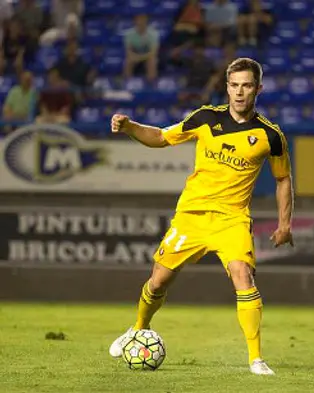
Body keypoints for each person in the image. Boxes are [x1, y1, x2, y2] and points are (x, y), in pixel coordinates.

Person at [108, 58, 294, 376]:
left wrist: (285, 224)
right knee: (158, 281)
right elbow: (162, 137)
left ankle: (256, 359)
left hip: (232, 219)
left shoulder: (270, 136)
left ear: (258, 89)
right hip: (191, 215)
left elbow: (283, 179)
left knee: (243, 276)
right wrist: (129, 128)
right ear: (227, 87)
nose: (239, 92)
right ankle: (137, 328)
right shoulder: (205, 117)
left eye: (247, 85)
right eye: (234, 85)